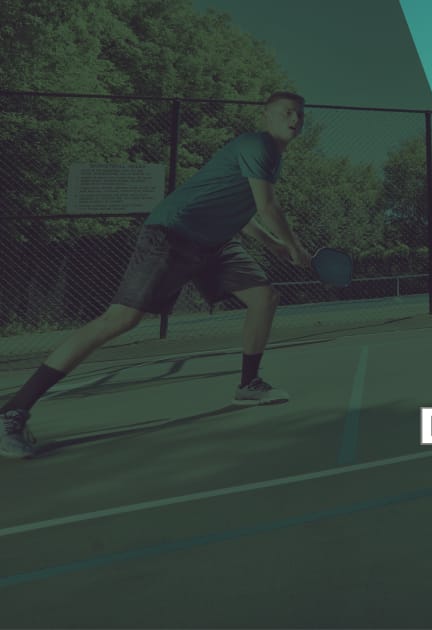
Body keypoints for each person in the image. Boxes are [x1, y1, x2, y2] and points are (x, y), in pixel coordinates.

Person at [1, 91, 313, 460]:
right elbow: (268, 206)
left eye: (299, 115)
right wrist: (293, 245)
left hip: (215, 244)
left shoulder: (273, 159)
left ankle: (249, 384)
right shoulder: (256, 144)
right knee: (121, 319)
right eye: (286, 112)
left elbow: (243, 212)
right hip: (173, 234)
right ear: (267, 117)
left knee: (264, 297)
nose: (294, 119)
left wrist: (274, 244)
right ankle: (14, 410)